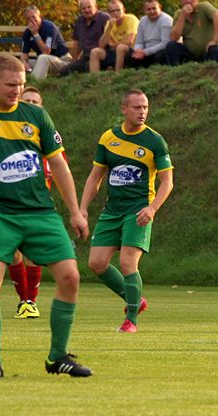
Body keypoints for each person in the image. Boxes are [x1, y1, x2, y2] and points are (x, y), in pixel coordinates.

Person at [0, 54, 92, 379]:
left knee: (71, 276)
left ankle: (58, 358)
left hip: (42, 213)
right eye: (11, 85)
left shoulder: (36, 115)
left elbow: (58, 164)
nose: (17, 90)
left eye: (22, 84)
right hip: (0, 214)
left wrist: (75, 211)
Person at [80, 89, 173, 333]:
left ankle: (131, 319)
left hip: (138, 211)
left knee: (127, 263)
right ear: (124, 109)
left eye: (145, 107)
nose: (142, 112)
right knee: (96, 263)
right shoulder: (108, 138)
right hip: (112, 211)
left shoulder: (155, 141)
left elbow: (167, 181)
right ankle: (136, 299)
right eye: (137, 107)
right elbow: (95, 178)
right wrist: (82, 209)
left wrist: (152, 209)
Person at [7, 86, 65, 320]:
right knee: (12, 253)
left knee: (31, 254)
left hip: (37, 205)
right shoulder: (7, 132)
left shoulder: (48, 134)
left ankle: (29, 301)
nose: (31, 104)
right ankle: (25, 299)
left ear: (41, 106)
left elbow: (61, 167)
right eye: (26, 100)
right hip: (8, 203)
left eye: (35, 101)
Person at [20, 5, 73, 80]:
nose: (31, 20)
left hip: (63, 61)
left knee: (43, 58)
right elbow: (24, 54)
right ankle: (22, 82)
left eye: (33, 17)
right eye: (28, 19)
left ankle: (34, 84)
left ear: (39, 17)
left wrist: (36, 34)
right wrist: (24, 62)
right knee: (20, 63)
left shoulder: (49, 27)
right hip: (44, 62)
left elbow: (46, 51)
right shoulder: (27, 33)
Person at [165, 0, 218, 65]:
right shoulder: (178, 14)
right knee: (171, 46)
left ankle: (213, 73)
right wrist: (182, 16)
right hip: (190, 55)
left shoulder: (204, 7)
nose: (188, 1)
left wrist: (215, 41)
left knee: (214, 49)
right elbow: (173, 37)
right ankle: (175, 73)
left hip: (207, 53)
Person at [89, 0, 139, 73]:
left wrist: (113, 45)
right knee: (95, 51)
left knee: (120, 47)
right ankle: (94, 80)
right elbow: (101, 45)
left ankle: (118, 75)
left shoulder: (131, 19)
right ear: (109, 13)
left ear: (124, 10)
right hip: (115, 53)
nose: (116, 13)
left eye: (118, 10)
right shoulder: (110, 24)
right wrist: (109, 28)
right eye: (112, 11)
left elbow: (129, 41)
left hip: (131, 52)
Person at [63, 0, 110, 74]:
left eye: (89, 7)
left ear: (95, 7)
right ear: (80, 10)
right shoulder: (79, 21)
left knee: (88, 67)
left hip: (101, 56)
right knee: (65, 71)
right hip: (85, 57)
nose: (87, 10)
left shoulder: (104, 18)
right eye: (83, 8)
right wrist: (73, 60)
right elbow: (77, 43)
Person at [129, 0, 173, 68]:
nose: (152, 11)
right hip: (146, 51)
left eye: (154, 8)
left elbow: (165, 43)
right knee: (132, 58)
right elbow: (139, 42)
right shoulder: (142, 21)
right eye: (148, 9)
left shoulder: (166, 20)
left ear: (160, 8)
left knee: (159, 56)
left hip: (161, 50)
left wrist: (145, 52)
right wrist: (138, 50)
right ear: (144, 10)